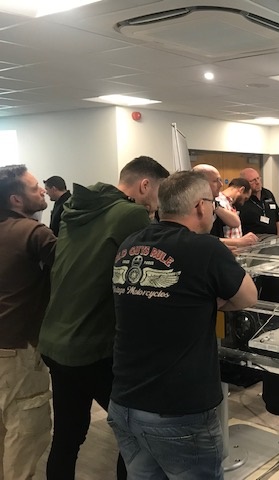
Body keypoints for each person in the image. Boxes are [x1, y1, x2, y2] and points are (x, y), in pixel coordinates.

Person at [108, 170, 258, 479]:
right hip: (179, 411)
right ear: (201, 206)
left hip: (125, 403)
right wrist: (206, 302)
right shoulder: (205, 248)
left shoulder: (129, 244)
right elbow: (248, 297)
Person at [37, 156, 170, 479]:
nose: (158, 204)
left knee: (68, 436)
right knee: (134, 435)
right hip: (94, 345)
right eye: (159, 194)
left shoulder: (77, 210)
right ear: (144, 185)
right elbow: (165, 255)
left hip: (57, 341)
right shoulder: (130, 214)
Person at [0, 165, 56, 480]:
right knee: (25, 433)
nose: (43, 191)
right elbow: (72, 268)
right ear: (16, 200)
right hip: (15, 351)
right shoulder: (32, 233)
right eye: (35, 187)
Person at [213, 177, 259, 247]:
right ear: (241, 190)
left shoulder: (230, 204)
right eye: (245, 198)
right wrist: (239, 242)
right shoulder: (219, 202)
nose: (243, 203)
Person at [238, 167, 279, 237]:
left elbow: (278, 219)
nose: (257, 182)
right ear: (244, 184)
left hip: (272, 241)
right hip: (252, 243)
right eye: (253, 180)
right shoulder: (242, 199)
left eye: (258, 178)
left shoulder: (268, 194)